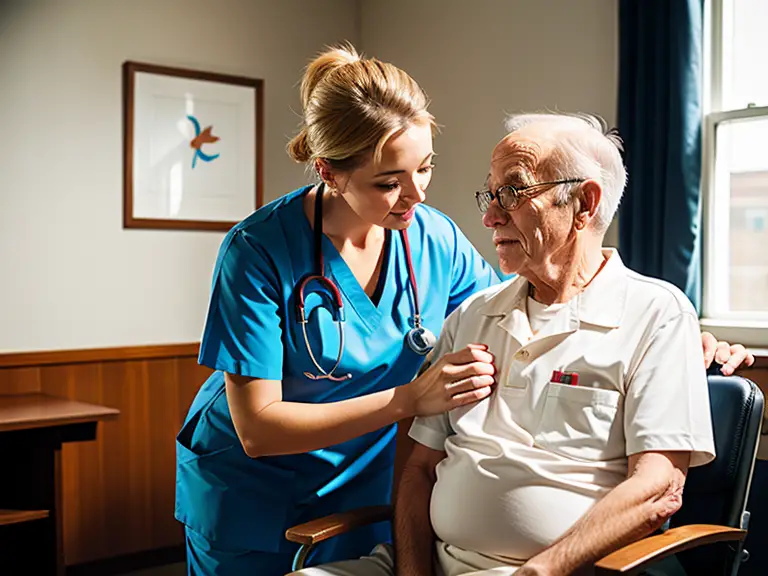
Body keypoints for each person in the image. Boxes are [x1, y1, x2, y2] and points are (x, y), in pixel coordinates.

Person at [175, 43, 753, 575]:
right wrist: (409, 399)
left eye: (425, 167)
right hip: (254, 486)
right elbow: (258, 428)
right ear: (328, 171)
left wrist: (683, 344)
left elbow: (536, 299)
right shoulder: (258, 250)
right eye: (389, 181)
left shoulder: (433, 241)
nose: (419, 194)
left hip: (370, 484)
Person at [288, 113, 748, 576]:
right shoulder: (471, 315)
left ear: (584, 204)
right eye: (490, 194)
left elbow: (658, 488)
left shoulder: (656, 314)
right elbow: (418, 471)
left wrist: (541, 571)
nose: (489, 215)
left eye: (512, 192)